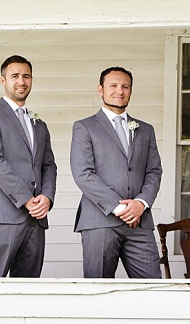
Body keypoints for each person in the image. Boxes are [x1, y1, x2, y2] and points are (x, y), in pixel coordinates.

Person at [70, 66, 163, 278]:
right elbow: (83, 173)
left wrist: (141, 204)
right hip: (99, 221)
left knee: (152, 288)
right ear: (100, 90)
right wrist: (119, 209)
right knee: (98, 289)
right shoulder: (85, 127)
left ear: (130, 91)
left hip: (140, 221)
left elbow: (154, 171)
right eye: (113, 85)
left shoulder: (145, 129)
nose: (119, 91)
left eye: (125, 86)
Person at [0, 55, 57, 277]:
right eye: (15, 76)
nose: (21, 81)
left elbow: (48, 165)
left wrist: (46, 197)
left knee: (28, 287)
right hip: (4, 215)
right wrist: (26, 199)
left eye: (26, 76)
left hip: (36, 219)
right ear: (3, 81)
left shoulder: (39, 124)